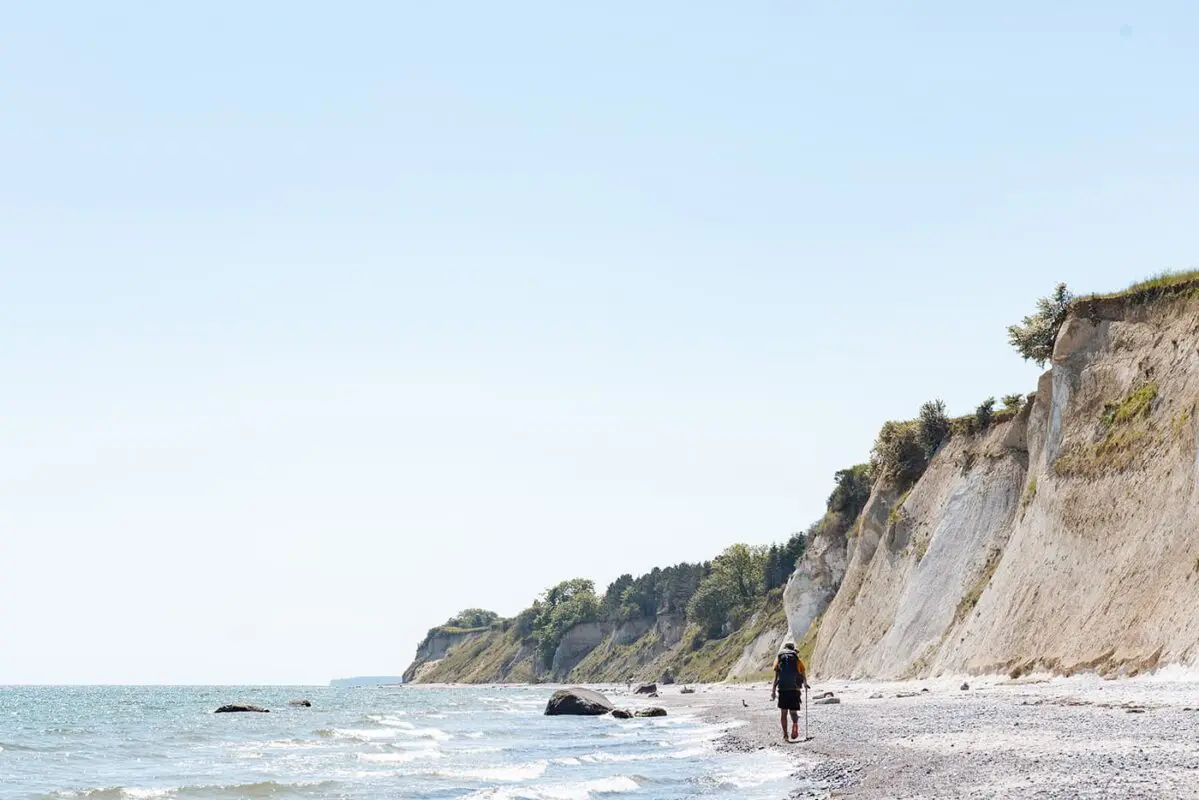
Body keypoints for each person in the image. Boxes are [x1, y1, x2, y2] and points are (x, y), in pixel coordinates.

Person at [770, 641, 809, 742]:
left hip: (783, 689)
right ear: (793, 649)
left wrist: (773, 691)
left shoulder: (780, 658)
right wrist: (805, 683)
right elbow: (803, 671)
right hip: (794, 689)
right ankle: (795, 724)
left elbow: (776, 677)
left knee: (783, 713)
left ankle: (785, 736)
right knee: (793, 712)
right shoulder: (796, 658)